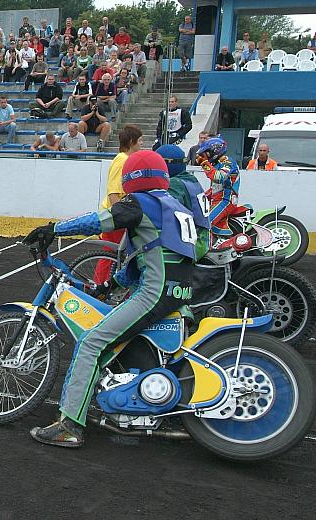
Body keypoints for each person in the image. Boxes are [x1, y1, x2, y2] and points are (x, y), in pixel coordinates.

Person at [25, 150, 196, 448]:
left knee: (91, 341)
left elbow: (99, 221)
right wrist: (109, 286)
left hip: (154, 293)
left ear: (131, 177)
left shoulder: (141, 203)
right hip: (179, 294)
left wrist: (53, 229)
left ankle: (69, 425)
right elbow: (147, 255)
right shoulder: (172, 205)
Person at [92, 124, 144, 284]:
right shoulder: (122, 161)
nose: (142, 144)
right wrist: (121, 216)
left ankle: (103, 284)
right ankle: (99, 285)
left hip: (118, 213)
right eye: (140, 140)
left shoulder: (125, 159)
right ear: (131, 141)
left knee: (114, 254)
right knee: (110, 254)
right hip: (116, 215)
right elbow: (113, 192)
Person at [157, 144, 210, 259]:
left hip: (192, 244)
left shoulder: (175, 184)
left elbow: (164, 212)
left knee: (146, 252)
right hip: (203, 239)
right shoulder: (190, 179)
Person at [195, 137, 240, 242]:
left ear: (215, 151)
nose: (204, 156)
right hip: (217, 200)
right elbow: (215, 188)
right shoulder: (217, 164)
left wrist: (204, 164)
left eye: (206, 153)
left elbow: (219, 177)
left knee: (204, 223)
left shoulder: (227, 161)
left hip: (225, 201)